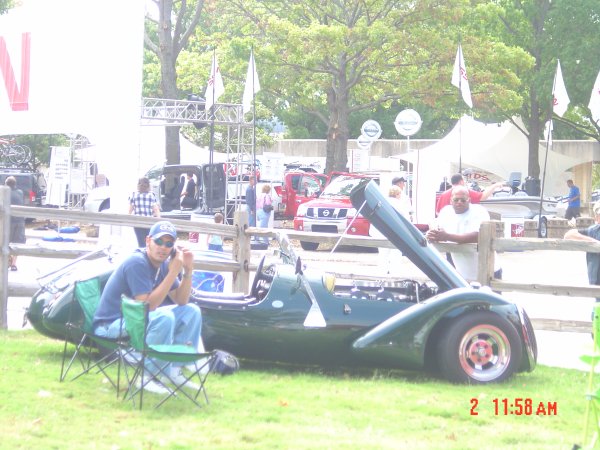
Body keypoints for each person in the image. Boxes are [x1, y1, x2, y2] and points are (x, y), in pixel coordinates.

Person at [92, 221, 202, 394]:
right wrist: (174, 272)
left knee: (192, 311)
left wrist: (188, 270)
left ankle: (175, 370)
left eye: (168, 244)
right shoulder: (137, 263)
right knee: (163, 318)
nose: (163, 248)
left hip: (134, 318)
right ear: (148, 240)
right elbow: (147, 306)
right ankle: (147, 376)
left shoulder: (165, 265)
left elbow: (181, 301)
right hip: (110, 325)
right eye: (158, 242)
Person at [426, 186, 502, 282]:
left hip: (488, 271)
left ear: (469, 200)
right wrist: (434, 236)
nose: (459, 202)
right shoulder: (446, 212)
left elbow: (478, 236)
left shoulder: (479, 211)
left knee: (490, 297)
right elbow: (440, 233)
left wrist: (446, 236)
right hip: (462, 274)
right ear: (450, 200)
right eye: (456, 199)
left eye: (463, 200)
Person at [564, 202, 600, 316]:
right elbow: (569, 235)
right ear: (596, 217)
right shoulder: (593, 231)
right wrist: (595, 243)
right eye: (599, 214)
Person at [435, 173, 504, 216]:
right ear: (461, 181)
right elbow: (483, 196)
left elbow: (438, 213)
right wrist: (495, 186)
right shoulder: (464, 192)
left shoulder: (443, 194)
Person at [129, 177, 161, 248]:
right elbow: (156, 209)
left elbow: (130, 210)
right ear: (148, 186)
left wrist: (128, 220)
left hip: (137, 222)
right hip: (148, 223)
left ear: (138, 185)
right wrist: (159, 220)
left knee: (141, 243)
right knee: (149, 242)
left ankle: (142, 256)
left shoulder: (133, 195)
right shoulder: (151, 195)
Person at [5, 176, 25, 271]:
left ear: (6, 184)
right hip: (20, 221)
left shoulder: (4, 193)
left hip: (9, 221)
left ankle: (7, 261)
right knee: (17, 243)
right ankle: (13, 264)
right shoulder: (20, 192)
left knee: (5, 242)